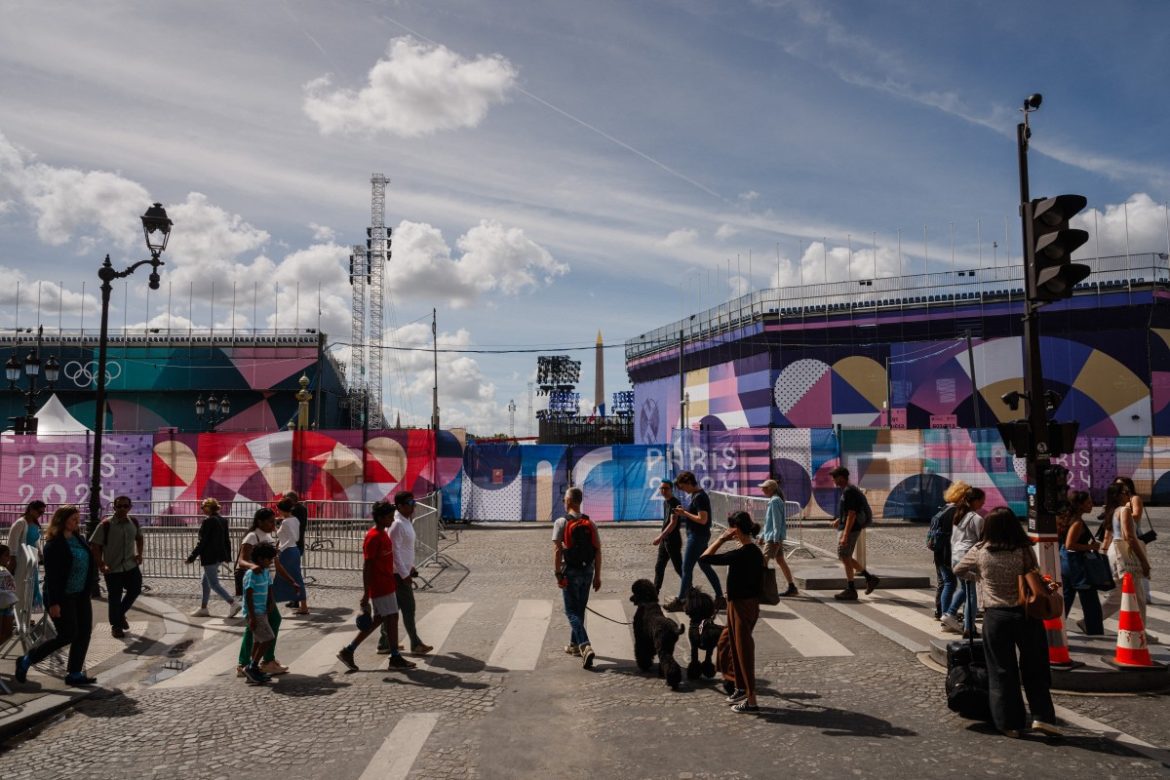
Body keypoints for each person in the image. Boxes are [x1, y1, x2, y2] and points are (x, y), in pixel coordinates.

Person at [953, 507, 1060, 738]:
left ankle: (1010, 723)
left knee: (1002, 671)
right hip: (1026, 614)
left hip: (996, 616)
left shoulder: (980, 551)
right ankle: (1043, 717)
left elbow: (958, 569)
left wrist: (979, 578)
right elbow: (1035, 573)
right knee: (1035, 667)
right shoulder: (1023, 549)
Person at [14, 505, 99, 687]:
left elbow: (89, 563)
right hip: (62, 597)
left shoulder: (80, 539)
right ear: (62, 520)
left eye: (78, 519)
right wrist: (53, 603)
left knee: (84, 633)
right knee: (68, 634)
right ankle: (27, 659)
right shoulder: (54, 544)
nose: (77, 522)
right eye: (73, 519)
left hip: (81, 595)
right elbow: (52, 577)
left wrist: (91, 585)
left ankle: (75, 673)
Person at [337, 500, 416, 672]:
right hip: (380, 586)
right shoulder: (373, 537)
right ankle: (394, 657)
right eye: (389, 517)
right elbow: (368, 566)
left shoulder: (383, 534)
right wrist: (366, 594)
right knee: (392, 618)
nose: (392, 520)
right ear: (380, 518)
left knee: (381, 619)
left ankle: (348, 650)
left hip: (387, 583)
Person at [701, 511, 765, 713]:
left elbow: (704, 558)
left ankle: (752, 700)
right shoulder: (753, 551)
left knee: (743, 650)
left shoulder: (742, 553)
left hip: (742, 607)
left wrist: (721, 539)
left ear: (736, 529)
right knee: (726, 642)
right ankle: (739, 686)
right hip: (739, 603)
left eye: (731, 528)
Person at [236, 508, 299, 677]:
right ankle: (252, 662)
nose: (274, 524)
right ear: (260, 522)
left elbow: (276, 563)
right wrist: (253, 566)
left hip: (266, 586)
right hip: (255, 588)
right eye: (270, 521)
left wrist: (291, 581)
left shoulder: (269, 538)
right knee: (258, 625)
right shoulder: (252, 536)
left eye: (274, 521)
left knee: (267, 623)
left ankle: (258, 662)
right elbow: (241, 560)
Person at [377, 491, 432, 655]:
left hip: (402, 572)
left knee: (394, 610)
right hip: (397, 575)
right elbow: (394, 552)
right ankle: (415, 643)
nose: (413, 505)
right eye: (409, 502)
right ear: (400, 506)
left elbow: (405, 549)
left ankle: (384, 642)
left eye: (413, 502)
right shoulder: (397, 524)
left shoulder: (406, 521)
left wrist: (411, 566)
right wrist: (404, 574)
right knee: (409, 608)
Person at [553, 486, 602, 668]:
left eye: (565, 499)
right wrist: (598, 576)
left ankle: (585, 645)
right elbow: (597, 551)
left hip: (570, 571)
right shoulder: (590, 523)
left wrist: (558, 574)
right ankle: (574, 645)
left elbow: (558, 551)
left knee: (571, 612)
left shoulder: (561, 522)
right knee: (580, 609)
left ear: (571, 501)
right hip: (588, 571)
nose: (564, 502)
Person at [1100, 482, 1154, 641]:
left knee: (1118, 594)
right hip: (1123, 553)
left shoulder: (1113, 510)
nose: (1128, 495)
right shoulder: (1123, 510)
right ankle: (1140, 632)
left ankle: (1091, 621)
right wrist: (1143, 561)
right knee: (1137, 595)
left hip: (1114, 552)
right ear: (1118, 496)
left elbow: (1109, 535)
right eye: (1125, 492)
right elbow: (1129, 536)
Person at [663, 471, 724, 612]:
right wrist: (684, 512)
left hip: (697, 537)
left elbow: (703, 519)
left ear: (689, 483)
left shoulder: (699, 497)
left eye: (683, 487)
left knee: (686, 568)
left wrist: (684, 513)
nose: (683, 490)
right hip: (699, 536)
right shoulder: (697, 496)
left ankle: (681, 600)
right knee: (705, 566)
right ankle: (720, 598)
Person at [89, 496, 144, 639]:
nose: (122, 509)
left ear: (130, 507)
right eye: (119, 506)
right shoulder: (105, 524)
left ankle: (118, 616)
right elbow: (95, 545)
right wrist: (101, 564)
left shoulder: (134, 522)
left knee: (135, 589)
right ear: (114, 507)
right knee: (115, 597)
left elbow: (140, 538)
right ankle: (116, 626)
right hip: (112, 568)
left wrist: (140, 554)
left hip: (131, 565)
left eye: (125, 506)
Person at [941, 486, 986, 637]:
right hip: (968, 557)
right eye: (982, 500)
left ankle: (950, 613)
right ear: (976, 501)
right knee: (972, 594)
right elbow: (982, 540)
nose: (983, 503)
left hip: (956, 556)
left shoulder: (959, 516)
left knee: (965, 589)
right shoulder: (976, 518)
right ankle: (969, 627)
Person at [829, 466, 879, 601]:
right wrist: (839, 520)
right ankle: (869, 579)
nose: (833, 481)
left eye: (834, 478)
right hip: (849, 527)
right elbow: (850, 511)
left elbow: (852, 513)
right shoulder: (848, 490)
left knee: (844, 556)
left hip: (850, 529)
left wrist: (845, 535)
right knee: (845, 556)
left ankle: (852, 589)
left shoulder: (849, 491)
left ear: (840, 477)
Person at [186, 497, 240, 618]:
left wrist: (192, 556)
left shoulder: (208, 521)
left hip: (210, 556)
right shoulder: (223, 520)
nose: (202, 509)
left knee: (214, 584)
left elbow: (202, 541)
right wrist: (227, 556)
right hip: (219, 556)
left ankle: (233, 603)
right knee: (205, 582)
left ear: (209, 507)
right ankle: (204, 608)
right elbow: (227, 540)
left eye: (203, 507)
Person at [1062, 490, 1104, 635]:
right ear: (1080, 505)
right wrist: (1090, 547)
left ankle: (1057, 626)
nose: (1092, 505)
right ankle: (1095, 631)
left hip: (1067, 565)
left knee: (1066, 597)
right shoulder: (1077, 523)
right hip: (1077, 566)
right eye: (1088, 502)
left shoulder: (1069, 518)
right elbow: (1069, 545)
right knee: (1090, 601)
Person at [240, 542, 279, 686]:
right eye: (269, 559)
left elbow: (269, 589)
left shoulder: (265, 572)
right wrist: (251, 616)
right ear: (261, 559)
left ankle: (252, 668)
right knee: (268, 638)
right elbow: (248, 595)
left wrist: (270, 603)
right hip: (255, 613)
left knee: (258, 641)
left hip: (263, 611)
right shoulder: (252, 574)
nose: (270, 562)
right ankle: (253, 666)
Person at [931, 481, 969, 622]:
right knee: (959, 586)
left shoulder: (943, 509)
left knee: (946, 583)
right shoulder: (957, 512)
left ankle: (942, 612)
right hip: (951, 553)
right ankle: (948, 613)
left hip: (939, 552)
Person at [758, 479, 797, 597]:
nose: (761, 489)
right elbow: (769, 522)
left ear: (770, 489)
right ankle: (792, 587)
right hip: (773, 537)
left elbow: (776, 522)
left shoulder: (774, 501)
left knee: (763, 562)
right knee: (780, 560)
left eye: (764, 487)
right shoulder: (774, 500)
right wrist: (762, 535)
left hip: (773, 538)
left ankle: (760, 590)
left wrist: (775, 539)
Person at [7, 499, 46, 609]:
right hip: (21, 560)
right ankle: (17, 615)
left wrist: (41, 555)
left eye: (43, 513)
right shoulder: (20, 523)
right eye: (40, 512)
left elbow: (35, 541)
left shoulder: (34, 524)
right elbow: (12, 541)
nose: (41, 515)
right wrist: (13, 559)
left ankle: (26, 614)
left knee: (31, 587)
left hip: (31, 560)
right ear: (31, 510)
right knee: (20, 587)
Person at [273, 498, 309, 616]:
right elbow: (292, 537)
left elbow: (291, 538)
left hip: (288, 551)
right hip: (293, 550)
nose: (277, 511)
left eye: (278, 509)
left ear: (282, 510)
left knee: (284, 578)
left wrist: (280, 549)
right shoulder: (294, 520)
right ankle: (303, 605)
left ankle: (302, 606)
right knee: (295, 577)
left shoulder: (286, 522)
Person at [650, 480, 683, 596]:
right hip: (666, 540)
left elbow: (673, 523)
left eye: (666, 488)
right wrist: (663, 538)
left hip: (673, 540)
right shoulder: (666, 502)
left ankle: (691, 591)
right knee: (659, 566)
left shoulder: (675, 503)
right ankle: (655, 592)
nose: (663, 491)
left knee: (679, 568)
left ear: (671, 489)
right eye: (661, 488)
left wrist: (660, 536)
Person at [282, 491, 309, 608]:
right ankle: (296, 599)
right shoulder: (302, 509)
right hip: (298, 544)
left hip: (294, 545)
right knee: (293, 573)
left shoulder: (295, 511)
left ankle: (298, 600)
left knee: (293, 574)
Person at [0, 544, 15, 646]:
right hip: (2, 606)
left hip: (8, 606)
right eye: (6, 555)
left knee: (7, 634)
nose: (9, 558)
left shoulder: (4, 570)